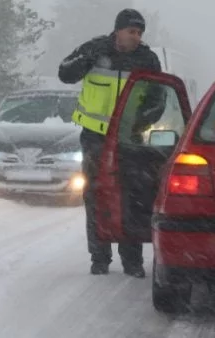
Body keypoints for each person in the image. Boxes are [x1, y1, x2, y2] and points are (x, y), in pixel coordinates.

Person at [58, 9, 162, 278]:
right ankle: (100, 258)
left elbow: (158, 99)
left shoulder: (147, 59)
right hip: (95, 138)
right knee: (96, 196)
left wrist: (140, 123)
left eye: (139, 33)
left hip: (130, 140)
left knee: (133, 199)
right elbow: (65, 74)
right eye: (132, 31)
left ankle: (133, 261)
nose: (136, 37)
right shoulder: (94, 49)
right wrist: (88, 58)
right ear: (118, 30)